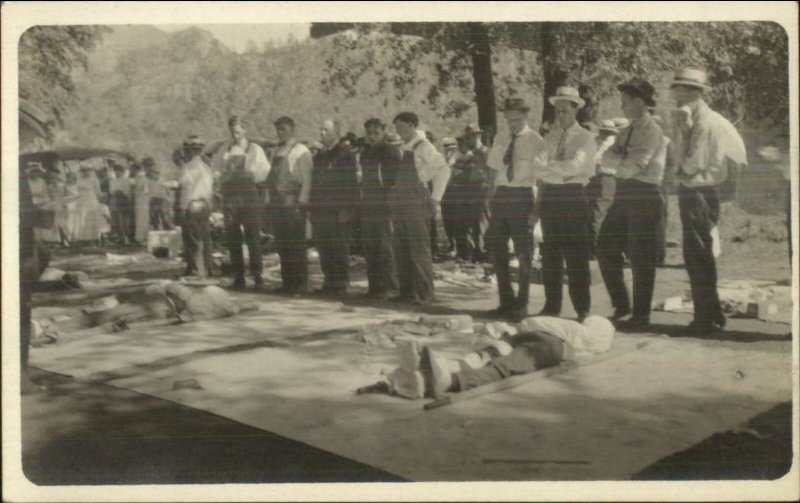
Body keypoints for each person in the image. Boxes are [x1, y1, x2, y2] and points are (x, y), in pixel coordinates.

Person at [670, 68, 746, 334]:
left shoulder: (704, 123)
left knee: (698, 255)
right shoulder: (697, 121)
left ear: (693, 93)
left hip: (699, 193)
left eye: (679, 90)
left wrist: (684, 138)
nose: (675, 96)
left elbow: (691, 164)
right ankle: (710, 313)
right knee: (698, 255)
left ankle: (706, 317)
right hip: (697, 192)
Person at [596, 79, 666, 326]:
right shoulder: (626, 131)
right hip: (624, 194)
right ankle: (622, 304)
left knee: (641, 256)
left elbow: (635, 165)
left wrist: (615, 161)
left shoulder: (652, 131)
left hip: (645, 195)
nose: (622, 106)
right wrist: (616, 160)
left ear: (639, 102)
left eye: (625, 101)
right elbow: (605, 155)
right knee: (605, 247)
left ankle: (641, 313)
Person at [418, 315, 615, 396]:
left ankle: (452, 377)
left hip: (545, 342)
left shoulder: (579, 332)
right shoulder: (581, 335)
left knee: (501, 361)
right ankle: (450, 369)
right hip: (541, 340)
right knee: (499, 358)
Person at [537, 87, 595, 321]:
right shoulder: (549, 138)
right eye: (557, 112)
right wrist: (557, 172)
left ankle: (582, 308)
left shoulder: (586, 138)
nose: (561, 116)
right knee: (550, 254)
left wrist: (551, 169)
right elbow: (536, 167)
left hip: (573, 196)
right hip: (551, 196)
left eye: (565, 111)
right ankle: (552, 306)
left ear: (575, 111)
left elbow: (577, 167)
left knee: (576, 255)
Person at [485, 97, 545, 321]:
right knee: (497, 250)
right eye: (508, 120)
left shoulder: (536, 141)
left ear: (526, 116)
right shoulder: (501, 137)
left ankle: (523, 304)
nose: (512, 124)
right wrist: (491, 197)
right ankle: (506, 301)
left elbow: (541, 179)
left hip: (522, 197)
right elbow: (492, 169)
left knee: (524, 253)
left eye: (516, 119)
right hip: (501, 196)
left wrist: (536, 210)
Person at [390, 112, 451, 305]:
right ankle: (407, 292)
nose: (399, 131)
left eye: (402, 127)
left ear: (412, 126)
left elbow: (443, 169)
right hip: (400, 201)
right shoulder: (404, 148)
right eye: (397, 128)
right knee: (401, 247)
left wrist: (436, 198)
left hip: (417, 200)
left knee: (419, 248)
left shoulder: (424, 146)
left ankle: (425, 294)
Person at [212, 115, 271, 290]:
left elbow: (264, 172)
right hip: (230, 195)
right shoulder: (224, 149)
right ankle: (239, 276)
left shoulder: (254, 149)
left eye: (237, 130)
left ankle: (258, 275)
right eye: (232, 130)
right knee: (232, 235)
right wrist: (221, 176)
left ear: (244, 130)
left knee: (252, 235)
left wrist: (248, 174)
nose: (235, 134)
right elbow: (215, 170)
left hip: (248, 194)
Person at [310, 119, 359, 295]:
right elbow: (315, 184)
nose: (322, 133)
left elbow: (351, 184)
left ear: (336, 132)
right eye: (321, 130)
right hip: (321, 210)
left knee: (339, 247)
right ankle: (328, 281)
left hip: (338, 210)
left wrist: (347, 209)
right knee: (324, 247)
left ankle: (341, 283)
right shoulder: (320, 156)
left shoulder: (345, 153)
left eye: (326, 130)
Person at [267, 115, 313, 295]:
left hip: (294, 202)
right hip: (277, 202)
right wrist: (268, 200)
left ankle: (300, 284)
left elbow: (307, 179)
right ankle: (287, 282)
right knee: (282, 243)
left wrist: (302, 203)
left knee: (296, 244)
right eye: (278, 129)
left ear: (292, 130)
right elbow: (272, 177)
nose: (280, 133)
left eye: (283, 129)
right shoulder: (275, 151)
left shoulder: (302, 151)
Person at [358, 118, 401, 300]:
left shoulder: (390, 151)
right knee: (370, 246)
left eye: (376, 133)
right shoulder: (365, 153)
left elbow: (397, 179)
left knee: (385, 246)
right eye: (369, 133)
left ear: (383, 133)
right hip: (369, 203)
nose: (372, 137)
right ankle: (374, 287)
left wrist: (391, 201)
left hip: (385, 204)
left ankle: (390, 287)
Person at [179, 135, 214, 278]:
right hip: (197, 205)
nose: (186, 152)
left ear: (194, 151)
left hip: (195, 204)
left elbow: (192, 189)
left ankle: (198, 269)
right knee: (199, 237)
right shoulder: (198, 167)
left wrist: (187, 207)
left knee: (195, 238)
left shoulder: (194, 168)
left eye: (188, 150)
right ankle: (202, 267)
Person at [586, 119, 621, 251]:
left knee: (598, 212)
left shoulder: (609, 144)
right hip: (600, 178)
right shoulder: (601, 143)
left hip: (605, 178)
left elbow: (596, 160)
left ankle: (595, 247)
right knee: (596, 211)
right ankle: (594, 245)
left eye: (603, 132)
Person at [439, 136, 460, 256]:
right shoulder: (441, 159)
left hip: (455, 193)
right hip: (444, 193)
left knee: (456, 220)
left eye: (452, 146)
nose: (449, 149)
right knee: (447, 220)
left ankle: (457, 246)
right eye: (446, 147)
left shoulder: (458, 158)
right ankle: (451, 244)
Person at [73, 165, 104, 242]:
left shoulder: (94, 179)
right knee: (81, 216)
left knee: (90, 217)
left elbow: (98, 192)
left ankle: (93, 237)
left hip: (90, 199)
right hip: (80, 199)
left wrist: (99, 201)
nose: (85, 172)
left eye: (87, 170)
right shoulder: (78, 179)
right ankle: (81, 237)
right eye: (83, 171)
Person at [109, 162, 134, 244]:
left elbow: (127, 191)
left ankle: (126, 236)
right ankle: (118, 237)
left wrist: (121, 192)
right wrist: (116, 192)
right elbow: (111, 191)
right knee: (115, 218)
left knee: (124, 219)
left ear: (122, 171)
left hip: (124, 200)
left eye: (119, 171)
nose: (117, 173)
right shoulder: (112, 181)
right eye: (115, 171)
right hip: (115, 200)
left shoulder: (126, 181)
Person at [132, 161, 151, 243]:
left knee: (142, 218)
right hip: (140, 199)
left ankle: (142, 237)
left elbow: (145, 190)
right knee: (141, 218)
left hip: (142, 200)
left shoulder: (142, 178)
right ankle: (141, 237)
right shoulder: (138, 178)